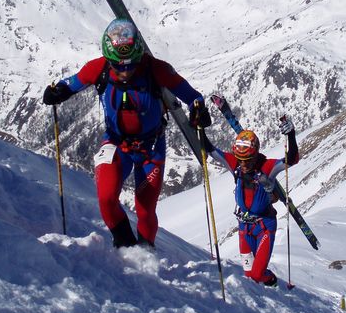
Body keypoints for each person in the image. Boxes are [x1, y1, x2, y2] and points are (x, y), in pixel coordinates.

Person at [42, 19, 210, 248]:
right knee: (106, 199)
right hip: (115, 143)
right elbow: (70, 84)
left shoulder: (156, 69)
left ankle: (146, 254)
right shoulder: (98, 68)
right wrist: (58, 91)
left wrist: (198, 110)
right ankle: (126, 250)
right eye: (118, 66)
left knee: (145, 210)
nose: (124, 71)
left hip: (151, 148)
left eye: (130, 65)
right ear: (108, 58)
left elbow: (192, 96)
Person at [203, 117, 298, 286]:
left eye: (247, 160)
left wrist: (291, 135)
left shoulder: (266, 167)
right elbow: (212, 151)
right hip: (244, 228)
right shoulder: (236, 165)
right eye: (240, 159)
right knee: (248, 274)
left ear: (255, 155)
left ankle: (271, 281)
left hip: (264, 226)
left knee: (256, 274)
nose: (243, 164)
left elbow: (291, 159)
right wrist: (200, 128)